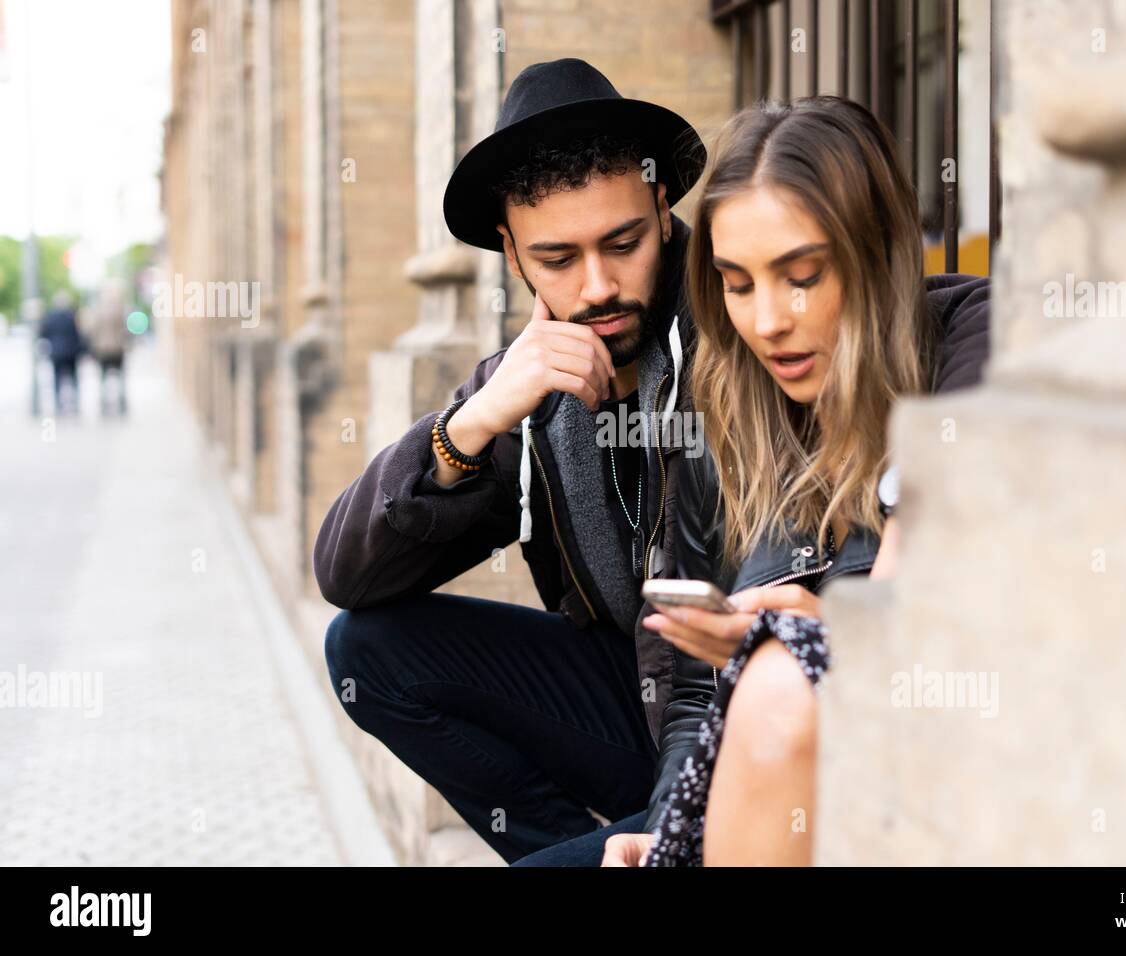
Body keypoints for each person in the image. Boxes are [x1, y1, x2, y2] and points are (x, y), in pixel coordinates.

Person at [316, 60, 987, 866]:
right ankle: (602, 843)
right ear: (512, 253)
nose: (599, 286)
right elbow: (345, 574)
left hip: (778, 720)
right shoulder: (533, 389)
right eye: (559, 259)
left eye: (623, 244)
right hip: (658, 711)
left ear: (663, 209)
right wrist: (472, 422)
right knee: (364, 650)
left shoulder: (740, 353)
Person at [596, 96, 991, 867]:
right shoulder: (723, 416)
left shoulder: (967, 339)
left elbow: (924, 605)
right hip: (762, 794)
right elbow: (688, 699)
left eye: (801, 276)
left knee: (781, 679)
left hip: (934, 780)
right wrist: (670, 823)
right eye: (737, 285)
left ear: (874, 253)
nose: (768, 320)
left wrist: (811, 629)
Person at [85, 279, 130, 416]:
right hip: (118, 348)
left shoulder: (98, 309)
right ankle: (121, 404)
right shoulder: (121, 308)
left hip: (102, 349)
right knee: (121, 378)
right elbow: (126, 329)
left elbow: (92, 329)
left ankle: (104, 404)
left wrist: (92, 346)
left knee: (103, 379)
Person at [38, 290, 86, 416]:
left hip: (57, 352)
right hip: (71, 352)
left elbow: (44, 333)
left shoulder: (50, 316)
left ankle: (59, 404)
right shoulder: (72, 315)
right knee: (74, 379)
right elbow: (78, 334)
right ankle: (75, 404)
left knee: (57, 379)